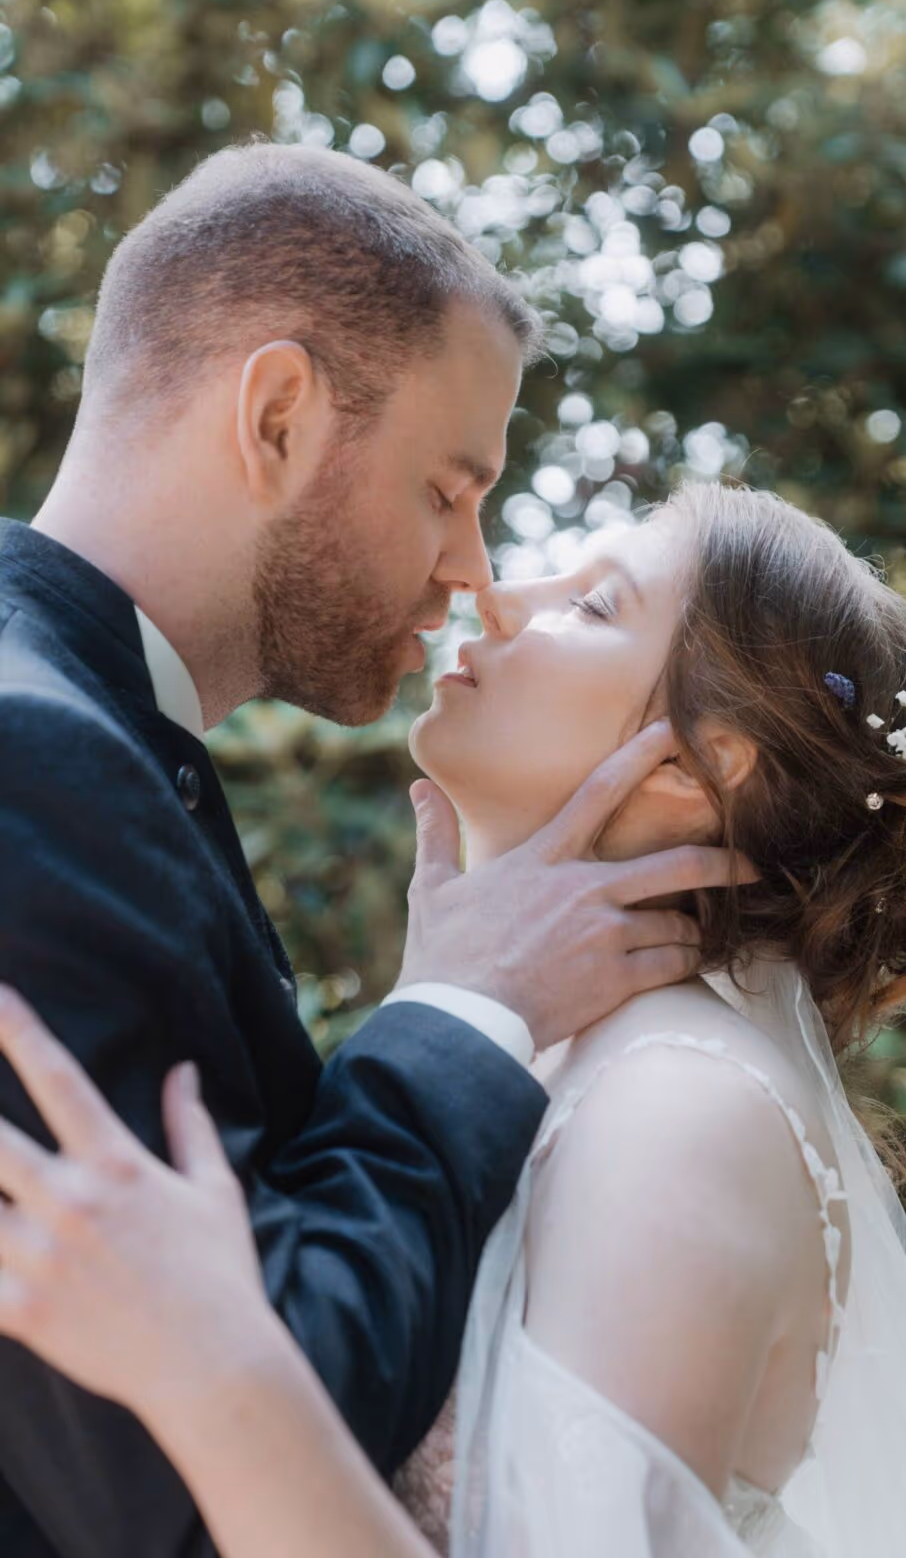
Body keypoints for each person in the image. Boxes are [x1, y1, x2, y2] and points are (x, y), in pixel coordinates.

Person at [0, 482, 906, 1556]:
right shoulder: (537, 1058)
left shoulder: (682, 1106)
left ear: (692, 765)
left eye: (591, 606)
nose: (495, 592)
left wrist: (216, 1377)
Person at [0, 143, 743, 1558]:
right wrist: (466, 1010)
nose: (473, 572)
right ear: (276, 416)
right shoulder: (33, 764)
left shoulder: (73, 730)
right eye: (447, 487)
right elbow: (209, 1459)